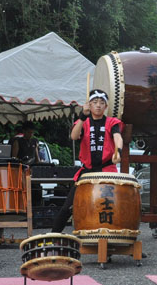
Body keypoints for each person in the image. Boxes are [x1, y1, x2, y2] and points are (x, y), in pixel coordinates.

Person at [52, 89, 123, 233]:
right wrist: (82, 117)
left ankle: (115, 239)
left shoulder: (112, 122)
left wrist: (118, 151)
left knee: (111, 206)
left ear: (106, 106)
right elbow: (73, 136)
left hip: (107, 170)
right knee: (68, 205)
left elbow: (118, 137)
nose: (98, 105)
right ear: (89, 105)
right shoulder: (83, 122)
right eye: (95, 102)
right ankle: (53, 235)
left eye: (101, 103)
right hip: (87, 172)